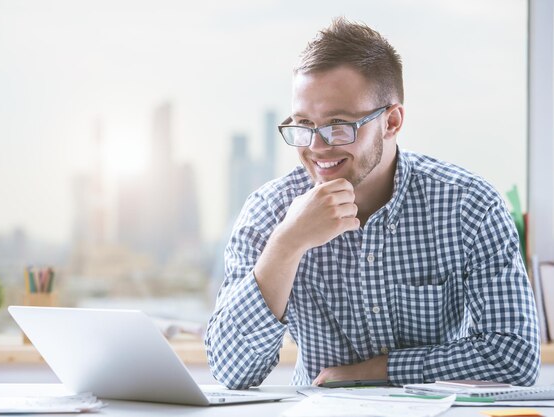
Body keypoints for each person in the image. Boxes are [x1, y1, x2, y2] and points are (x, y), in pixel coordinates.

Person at [205, 17, 540, 389]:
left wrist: (373, 372)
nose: (317, 146)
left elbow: (515, 356)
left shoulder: (469, 207)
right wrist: (287, 244)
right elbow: (231, 371)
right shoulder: (268, 212)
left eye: (338, 123)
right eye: (303, 123)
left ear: (392, 121)